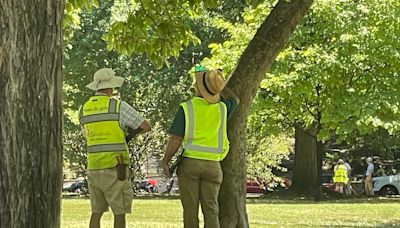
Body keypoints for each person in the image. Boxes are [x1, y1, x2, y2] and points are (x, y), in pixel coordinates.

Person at [162, 67, 239, 228]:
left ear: (197, 87)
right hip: (213, 165)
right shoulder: (223, 109)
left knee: (190, 209)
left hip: (190, 164)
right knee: (211, 209)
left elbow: (176, 138)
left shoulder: (187, 108)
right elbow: (235, 100)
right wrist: (219, 84)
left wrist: (166, 160)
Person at [79, 68, 151, 228]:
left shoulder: (83, 109)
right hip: (115, 167)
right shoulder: (118, 106)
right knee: (119, 212)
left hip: (94, 166)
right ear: (111, 87)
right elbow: (146, 126)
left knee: (96, 212)